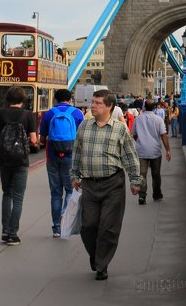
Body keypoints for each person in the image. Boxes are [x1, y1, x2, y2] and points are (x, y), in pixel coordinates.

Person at [70, 89, 142, 280]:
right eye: (93, 102)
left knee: (109, 227)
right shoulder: (84, 127)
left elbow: (130, 156)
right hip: (89, 185)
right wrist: (74, 175)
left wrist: (136, 181)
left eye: (98, 103)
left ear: (110, 106)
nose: (93, 105)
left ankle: (102, 265)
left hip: (113, 184)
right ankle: (96, 255)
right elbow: (76, 152)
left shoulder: (120, 129)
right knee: (88, 226)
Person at [0, 86, 38, 245]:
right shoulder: (28, 115)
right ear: (23, 99)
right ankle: (13, 234)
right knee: (18, 197)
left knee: (6, 194)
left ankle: (5, 230)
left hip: (4, 160)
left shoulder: (0, 114)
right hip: (21, 160)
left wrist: (4, 143)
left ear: (8, 98)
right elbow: (33, 140)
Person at [39, 89, 84, 237]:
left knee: (56, 193)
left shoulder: (49, 113)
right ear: (70, 100)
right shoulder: (77, 113)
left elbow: (42, 137)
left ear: (56, 100)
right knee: (70, 190)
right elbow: (82, 137)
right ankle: (66, 217)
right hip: (71, 156)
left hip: (52, 156)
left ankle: (56, 228)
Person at [132, 99, 171, 205]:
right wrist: (167, 150)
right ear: (154, 107)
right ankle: (157, 194)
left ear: (144, 106)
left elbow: (134, 135)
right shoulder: (158, 119)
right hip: (155, 150)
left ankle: (142, 196)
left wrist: (139, 141)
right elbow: (163, 135)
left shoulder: (138, 119)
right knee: (156, 174)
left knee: (142, 175)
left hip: (141, 151)